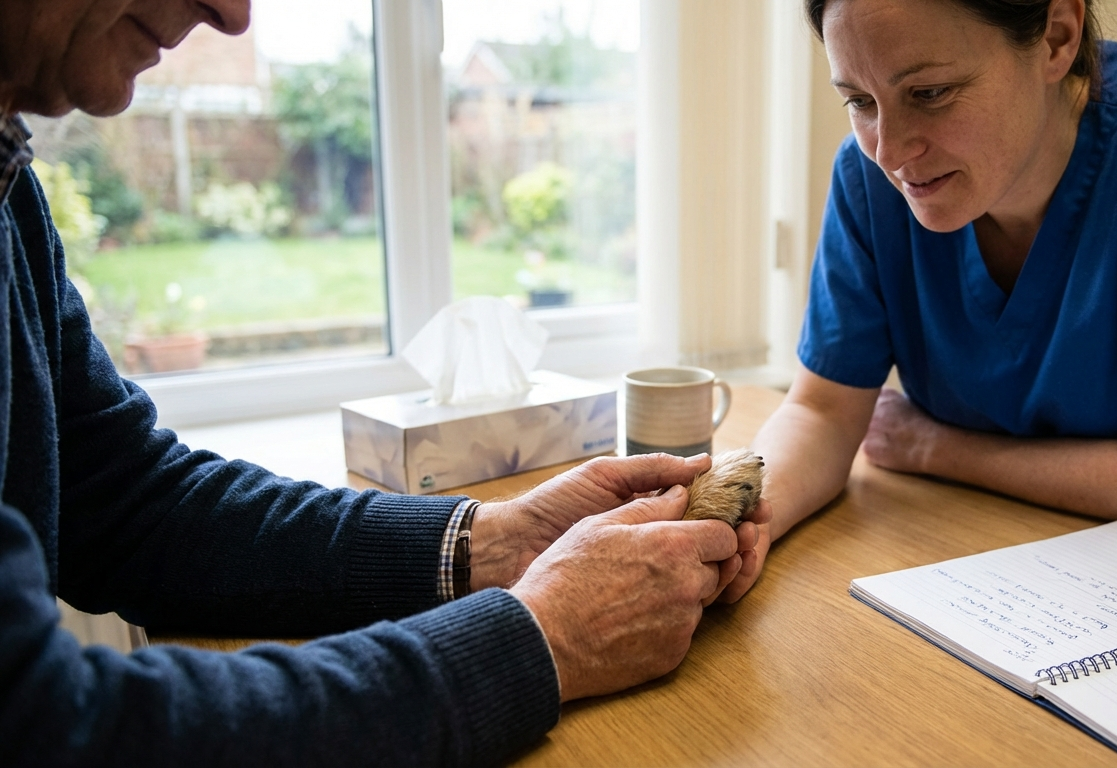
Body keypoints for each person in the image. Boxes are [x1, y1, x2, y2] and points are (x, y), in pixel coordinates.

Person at [0, 1, 767, 765]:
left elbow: (130, 502)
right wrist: (544, 638)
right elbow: (51, 725)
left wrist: (493, 542)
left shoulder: (12, 193)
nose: (232, 15)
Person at [719, 0, 1117, 603]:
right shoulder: (868, 178)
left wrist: (935, 447)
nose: (890, 151)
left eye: (930, 93)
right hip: (993, 564)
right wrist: (732, 527)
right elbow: (822, 414)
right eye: (859, 101)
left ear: (1056, 37)